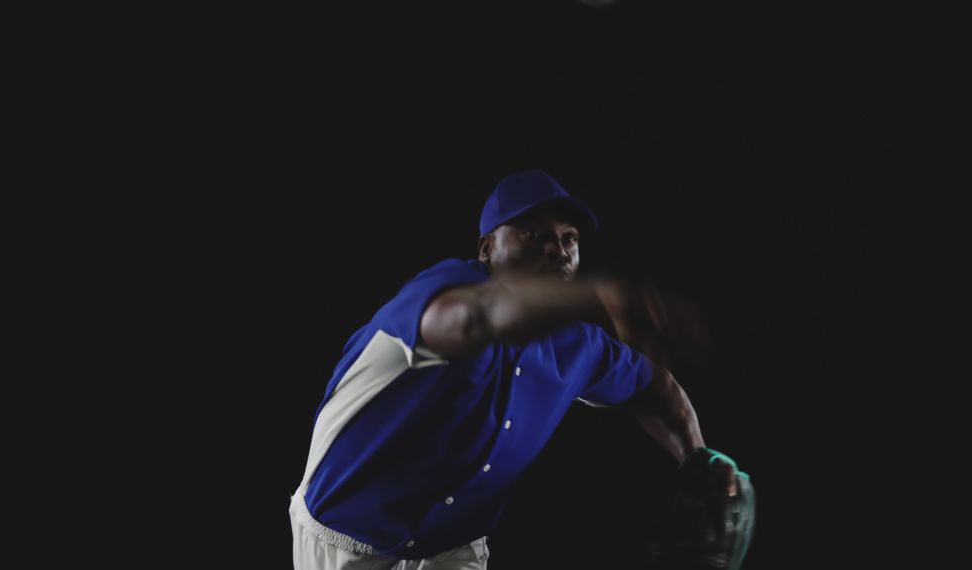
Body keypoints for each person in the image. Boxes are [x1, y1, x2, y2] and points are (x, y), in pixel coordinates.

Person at [290, 171, 738, 569]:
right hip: (348, 536)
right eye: (532, 233)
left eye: (569, 239)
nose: (556, 250)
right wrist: (604, 294)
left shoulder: (576, 345)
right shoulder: (443, 291)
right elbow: (479, 318)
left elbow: (656, 389)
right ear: (487, 248)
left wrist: (698, 459)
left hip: (451, 546)